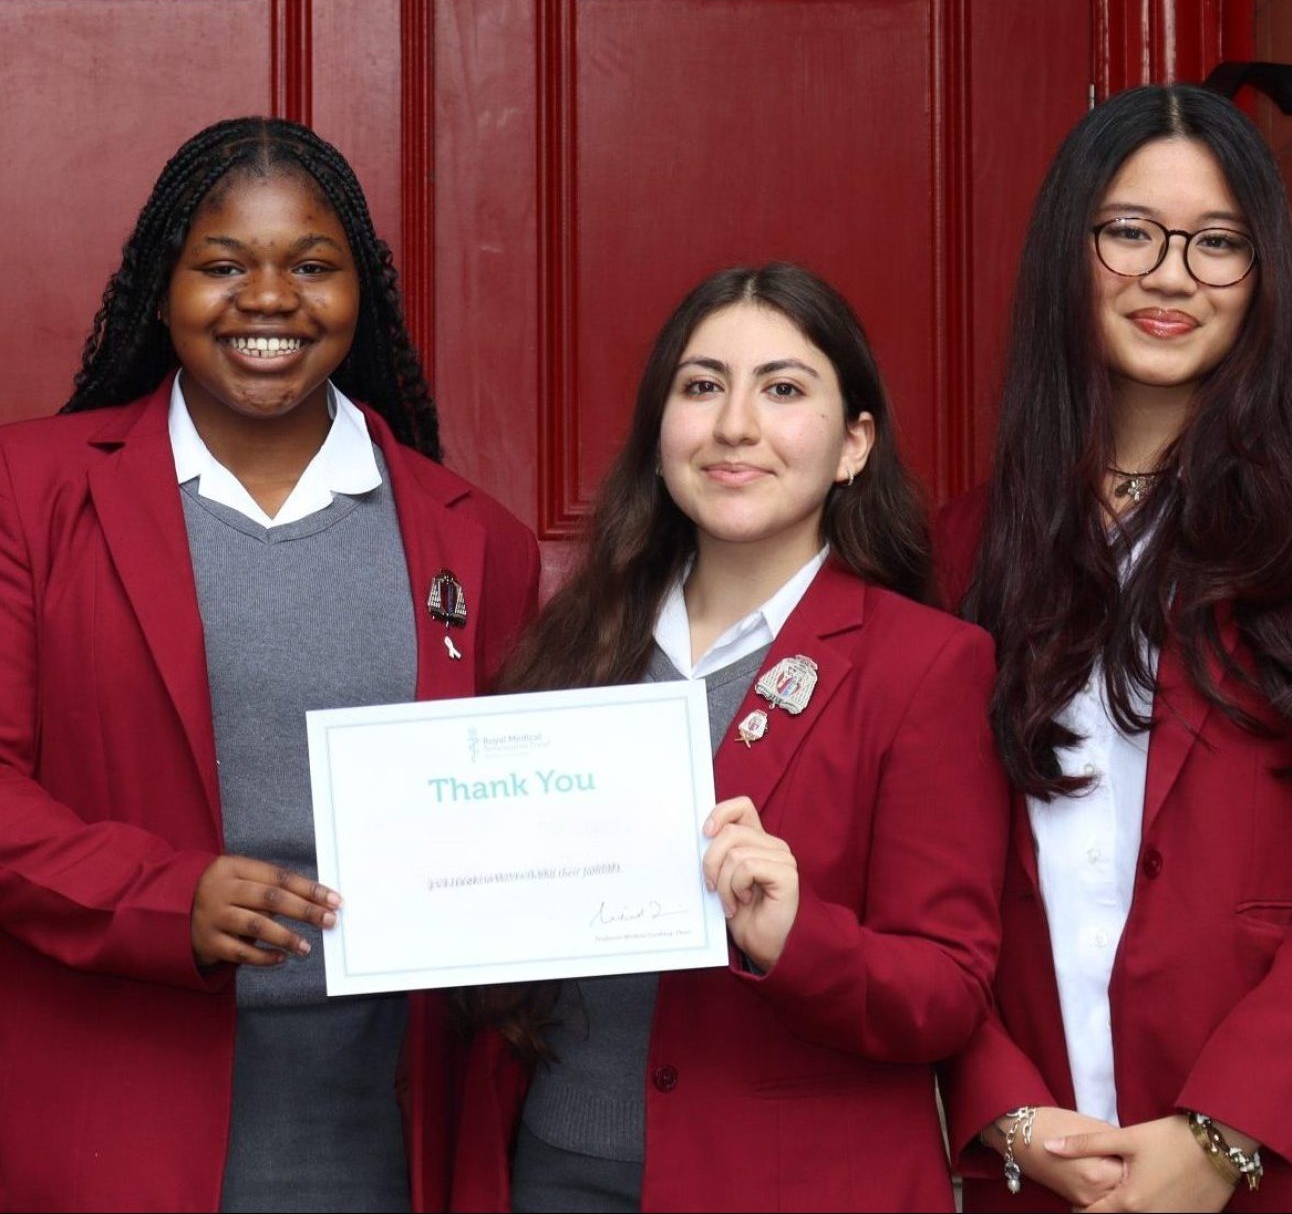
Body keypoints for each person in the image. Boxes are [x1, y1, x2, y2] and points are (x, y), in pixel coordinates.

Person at [0, 117, 539, 1213]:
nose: (268, 298)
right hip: (108, 1108)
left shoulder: (476, 538)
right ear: (163, 288)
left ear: (360, 294)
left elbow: (511, 817)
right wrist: (166, 896)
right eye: (221, 265)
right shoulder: (29, 491)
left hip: (385, 1115)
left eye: (310, 265)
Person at [442, 263, 1009, 1213]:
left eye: (783, 390)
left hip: (786, 1184)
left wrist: (798, 939)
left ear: (853, 445)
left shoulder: (927, 666)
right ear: (661, 432)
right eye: (701, 386)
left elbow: (947, 990)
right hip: (549, 1167)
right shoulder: (571, 646)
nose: (735, 425)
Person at [936, 84, 1292, 1211]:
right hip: (1029, 1167)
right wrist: (1000, 1104)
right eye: (1130, 230)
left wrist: (1226, 1130)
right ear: (1068, 250)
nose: (1171, 273)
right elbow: (908, 882)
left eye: (1217, 242)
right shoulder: (957, 550)